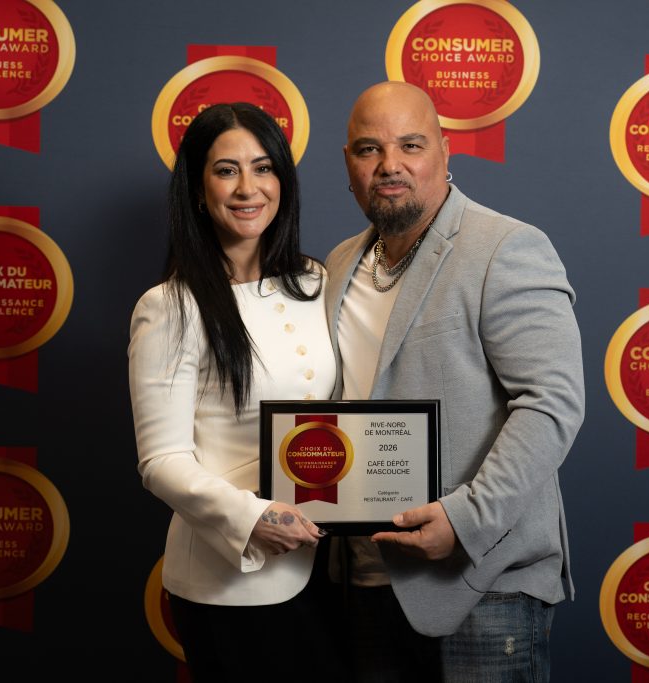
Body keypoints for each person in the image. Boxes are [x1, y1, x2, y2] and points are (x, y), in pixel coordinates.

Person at [325, 81, 585, 682]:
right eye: (369, 149)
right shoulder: (338, 263)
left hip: (480, 582)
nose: (389, 165)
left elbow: (551, 404)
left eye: (410, 145)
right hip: (362, 581)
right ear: (348, 163)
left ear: (445, 151)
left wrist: (467, 521)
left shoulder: (506, 248)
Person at [128, 102, 339, 680]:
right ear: (199, 191)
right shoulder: (169, 307)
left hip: (332, 566)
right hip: (234, 580)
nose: (248, 187)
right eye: (226, 170)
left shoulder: (317, 282)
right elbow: (161, 461)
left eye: (263, 167)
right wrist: (255, 517)